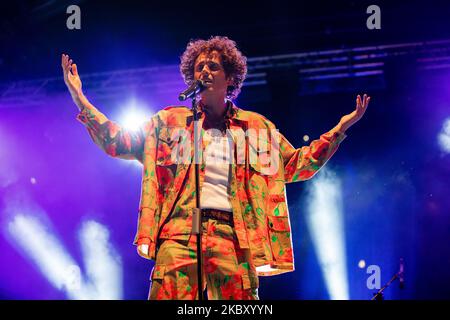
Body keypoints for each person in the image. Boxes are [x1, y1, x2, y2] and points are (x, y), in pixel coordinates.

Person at [61, 36, 370, 300]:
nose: (205, 71)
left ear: (230, 78)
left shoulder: (257, 128)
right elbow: (120, 141)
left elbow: (297, 165)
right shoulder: (168, 123)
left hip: (233, 237)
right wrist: (80, 99)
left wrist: (339, 130)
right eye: (199, 67)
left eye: (213, 66)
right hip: (180, 233)